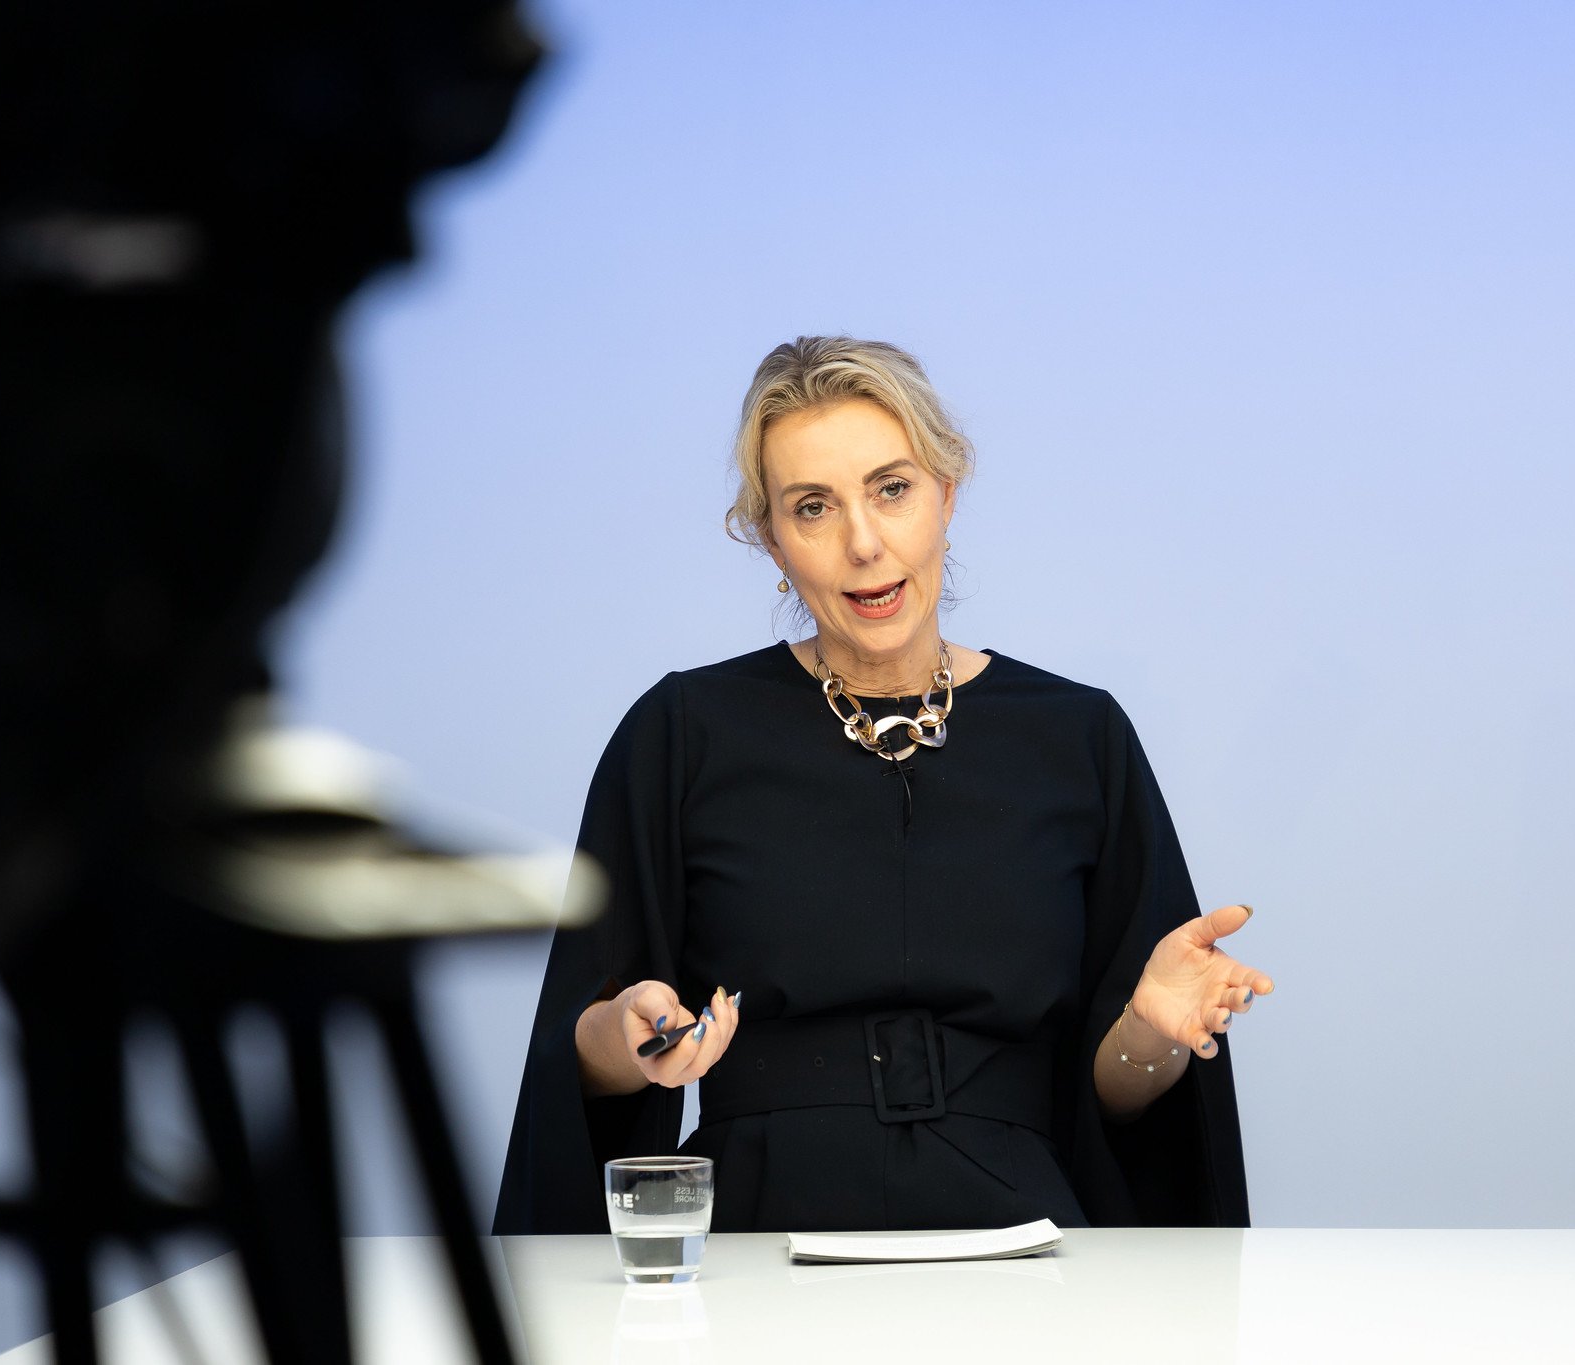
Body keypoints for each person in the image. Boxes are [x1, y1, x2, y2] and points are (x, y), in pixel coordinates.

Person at [494, 337, 1271, 1234]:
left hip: (1022, 1240)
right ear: (772, 540)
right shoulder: (680, 732)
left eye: (892, 489)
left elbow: (1127, 1115)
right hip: (758, 1241)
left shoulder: (1080, 736)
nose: (863, 543)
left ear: (947, 492)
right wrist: (630, 1034)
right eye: (812, 507)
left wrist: (1150, 1032)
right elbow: (580, 1053)